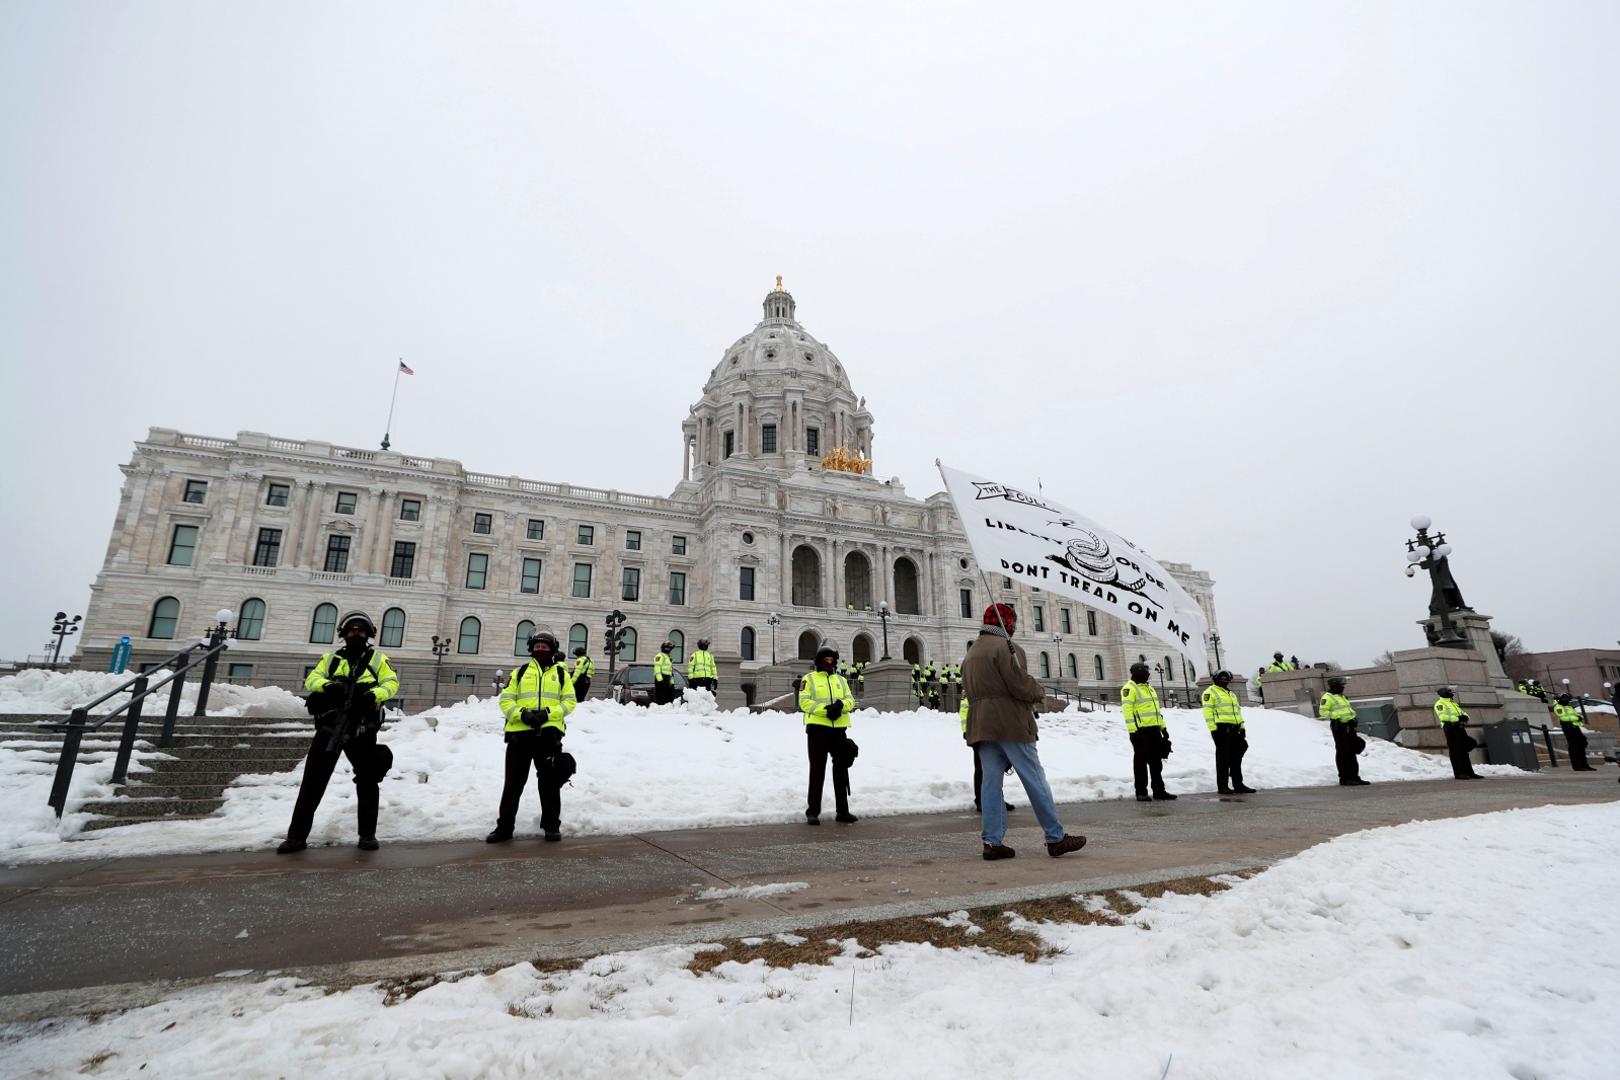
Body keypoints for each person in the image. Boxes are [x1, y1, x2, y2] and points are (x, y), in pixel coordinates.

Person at [961, 603, 1087, 861]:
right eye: (1013, 623)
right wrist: (1038, 691)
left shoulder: (971, 652)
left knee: (990, 784)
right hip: (1011, 723)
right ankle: (1055, 837)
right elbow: (1019, 685)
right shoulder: (1007, 648)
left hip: (982, 725)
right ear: (1007, 623)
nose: (1015, 628)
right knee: (1034, 779)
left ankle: (992, 842)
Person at [278, 612, 399, 854]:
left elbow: (391, 683)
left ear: (368, 634)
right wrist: (328, 686)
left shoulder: (378, 659)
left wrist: (372, 695)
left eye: (361, 631)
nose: (356, 634)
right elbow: (312, 679)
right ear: (344, 633)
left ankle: (367, 835)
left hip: (361, 728)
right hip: (330, 727)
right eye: (352, 630)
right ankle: (296, 838)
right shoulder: (330, 659)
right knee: (312, 782)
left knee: (367, 781)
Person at [488, 630, 578, 842]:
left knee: (549, 784)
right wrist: (522, 714)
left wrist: (548, 714)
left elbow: (569, 702)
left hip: (548, 737)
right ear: (530, 649)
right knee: (513, 785)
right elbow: (506, 700)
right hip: (520, 737)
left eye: (544, 647)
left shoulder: (562, 674)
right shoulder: (519, 672)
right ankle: (504, 828)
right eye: (536, 646)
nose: (540, 649)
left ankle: (551, 826)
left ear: (552, 649)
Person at [799, 646, 858, 825]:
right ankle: (812, 811)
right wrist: (826, 710)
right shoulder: (809, 678)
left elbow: (851, 700)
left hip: (839, 730)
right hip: (818, 730)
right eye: (826, 659)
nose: (829, 662)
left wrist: (839, 706)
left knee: (841, 770)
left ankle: (843, 811)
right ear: (819, 661)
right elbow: (804, 702)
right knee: (817, 770)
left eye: (831, 659)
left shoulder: (841, 679)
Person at [1121, 662, 1175, 802]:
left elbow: (1156, 712)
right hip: (1140, 731)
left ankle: (1159, 791)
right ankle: (1141, 792)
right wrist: (1133, 731)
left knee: (1156, 763)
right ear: (1139, 673)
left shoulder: (1149, 688)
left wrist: (1163, 728)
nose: (1148, 674)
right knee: (1140, 763)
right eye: (1146, 672)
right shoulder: (1129, 688)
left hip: (1154, 730)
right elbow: (1127, 712)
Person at [1202, 670, 1255, 794]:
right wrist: (1213, 729)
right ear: (1216, 679)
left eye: (1226, 678)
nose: (1224, 680)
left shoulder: (1231, 694)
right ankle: (1223, 786)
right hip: (1221, 729)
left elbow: (1237, 712)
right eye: (1222, 678)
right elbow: (1207, 712)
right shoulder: (1210, 692)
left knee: (1239, 753)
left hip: (1235, 728)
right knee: (1223, 758)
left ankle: (1238, 784)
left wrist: (1242, 727)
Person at [1320, 676, 1368, 786]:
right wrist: (1339, 718)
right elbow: (1323, 712)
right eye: (1341, 686)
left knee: (1352, 751)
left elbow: (1348, 710)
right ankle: (1345, 778)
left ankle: (1355, 777)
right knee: (1343, 752)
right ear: (1335, 686)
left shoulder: (1342, 697)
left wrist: (1353, 719)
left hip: (1349, 726)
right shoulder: (1327, 697)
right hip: (1339, 727)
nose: (1343, 688)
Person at [1433, 687, 1480, 780]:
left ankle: (1469, 772)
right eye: (1449, 692)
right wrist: (1458, 718)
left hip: (1460, 727)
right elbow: (1443, 717)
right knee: (1455, 751)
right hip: (1450, 728)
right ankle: (1459, 773)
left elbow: (1463, 713)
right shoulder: (1440, 704)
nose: (1452, 694)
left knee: (1465, 750)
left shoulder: (1453, 703)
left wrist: (1465, 717)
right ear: (1443, 693)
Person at [1553, 693, 1593, 771]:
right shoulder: (1558, 707)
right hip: (1568, 727)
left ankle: (1584, 764)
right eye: (1565, 699)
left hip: (1575, 727)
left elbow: (1575, 714)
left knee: (1582, 743)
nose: (1567, 701)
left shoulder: (1569, 706)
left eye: (1568, 699)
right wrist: (1577, 718)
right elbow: (1563, 718)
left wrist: (1579, 717)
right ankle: (1577, 766)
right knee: (1574, 746)